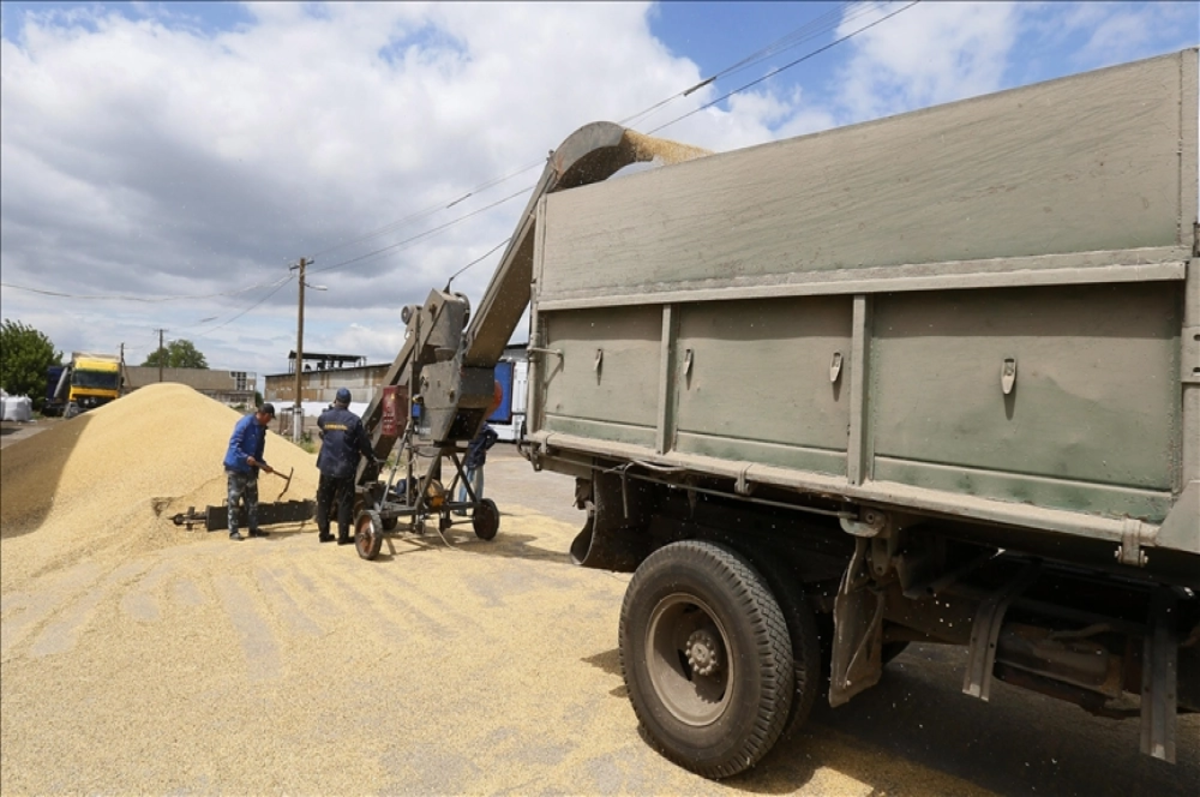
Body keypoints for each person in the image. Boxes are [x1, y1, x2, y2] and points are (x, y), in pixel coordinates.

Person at [316, 388, 377, 545]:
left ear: (336, 400)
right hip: (345, 468)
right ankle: (343, 537)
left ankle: (324, 533)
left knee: (324, 500)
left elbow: (321, 424)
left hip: (327, 466)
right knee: (344, 502)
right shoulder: (354, 420)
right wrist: (370, 457)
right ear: (349, 402)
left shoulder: (325, 417)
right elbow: (364, 443)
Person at [222, 403, 277, 541]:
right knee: (234, 500)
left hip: (251, 469)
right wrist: (245, 457)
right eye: (270, 418)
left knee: (252, 500)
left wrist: (263, 465)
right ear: (265, 415)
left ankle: (253, 529)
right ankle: (233, 531)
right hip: (237, 467)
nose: (270, 421)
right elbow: (234, 445)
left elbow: (258, 452)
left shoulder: (262, 428)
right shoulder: (245, 423)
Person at [456, 422, 499, 514]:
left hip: (471, 456)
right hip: (478, 457)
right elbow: (494, 435)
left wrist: (485, 447)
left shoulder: (472, 424)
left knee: (465, 483)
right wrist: (486, 447)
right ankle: (477, 509)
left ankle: (461, 508)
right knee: (477, 484)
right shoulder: (483, 426)